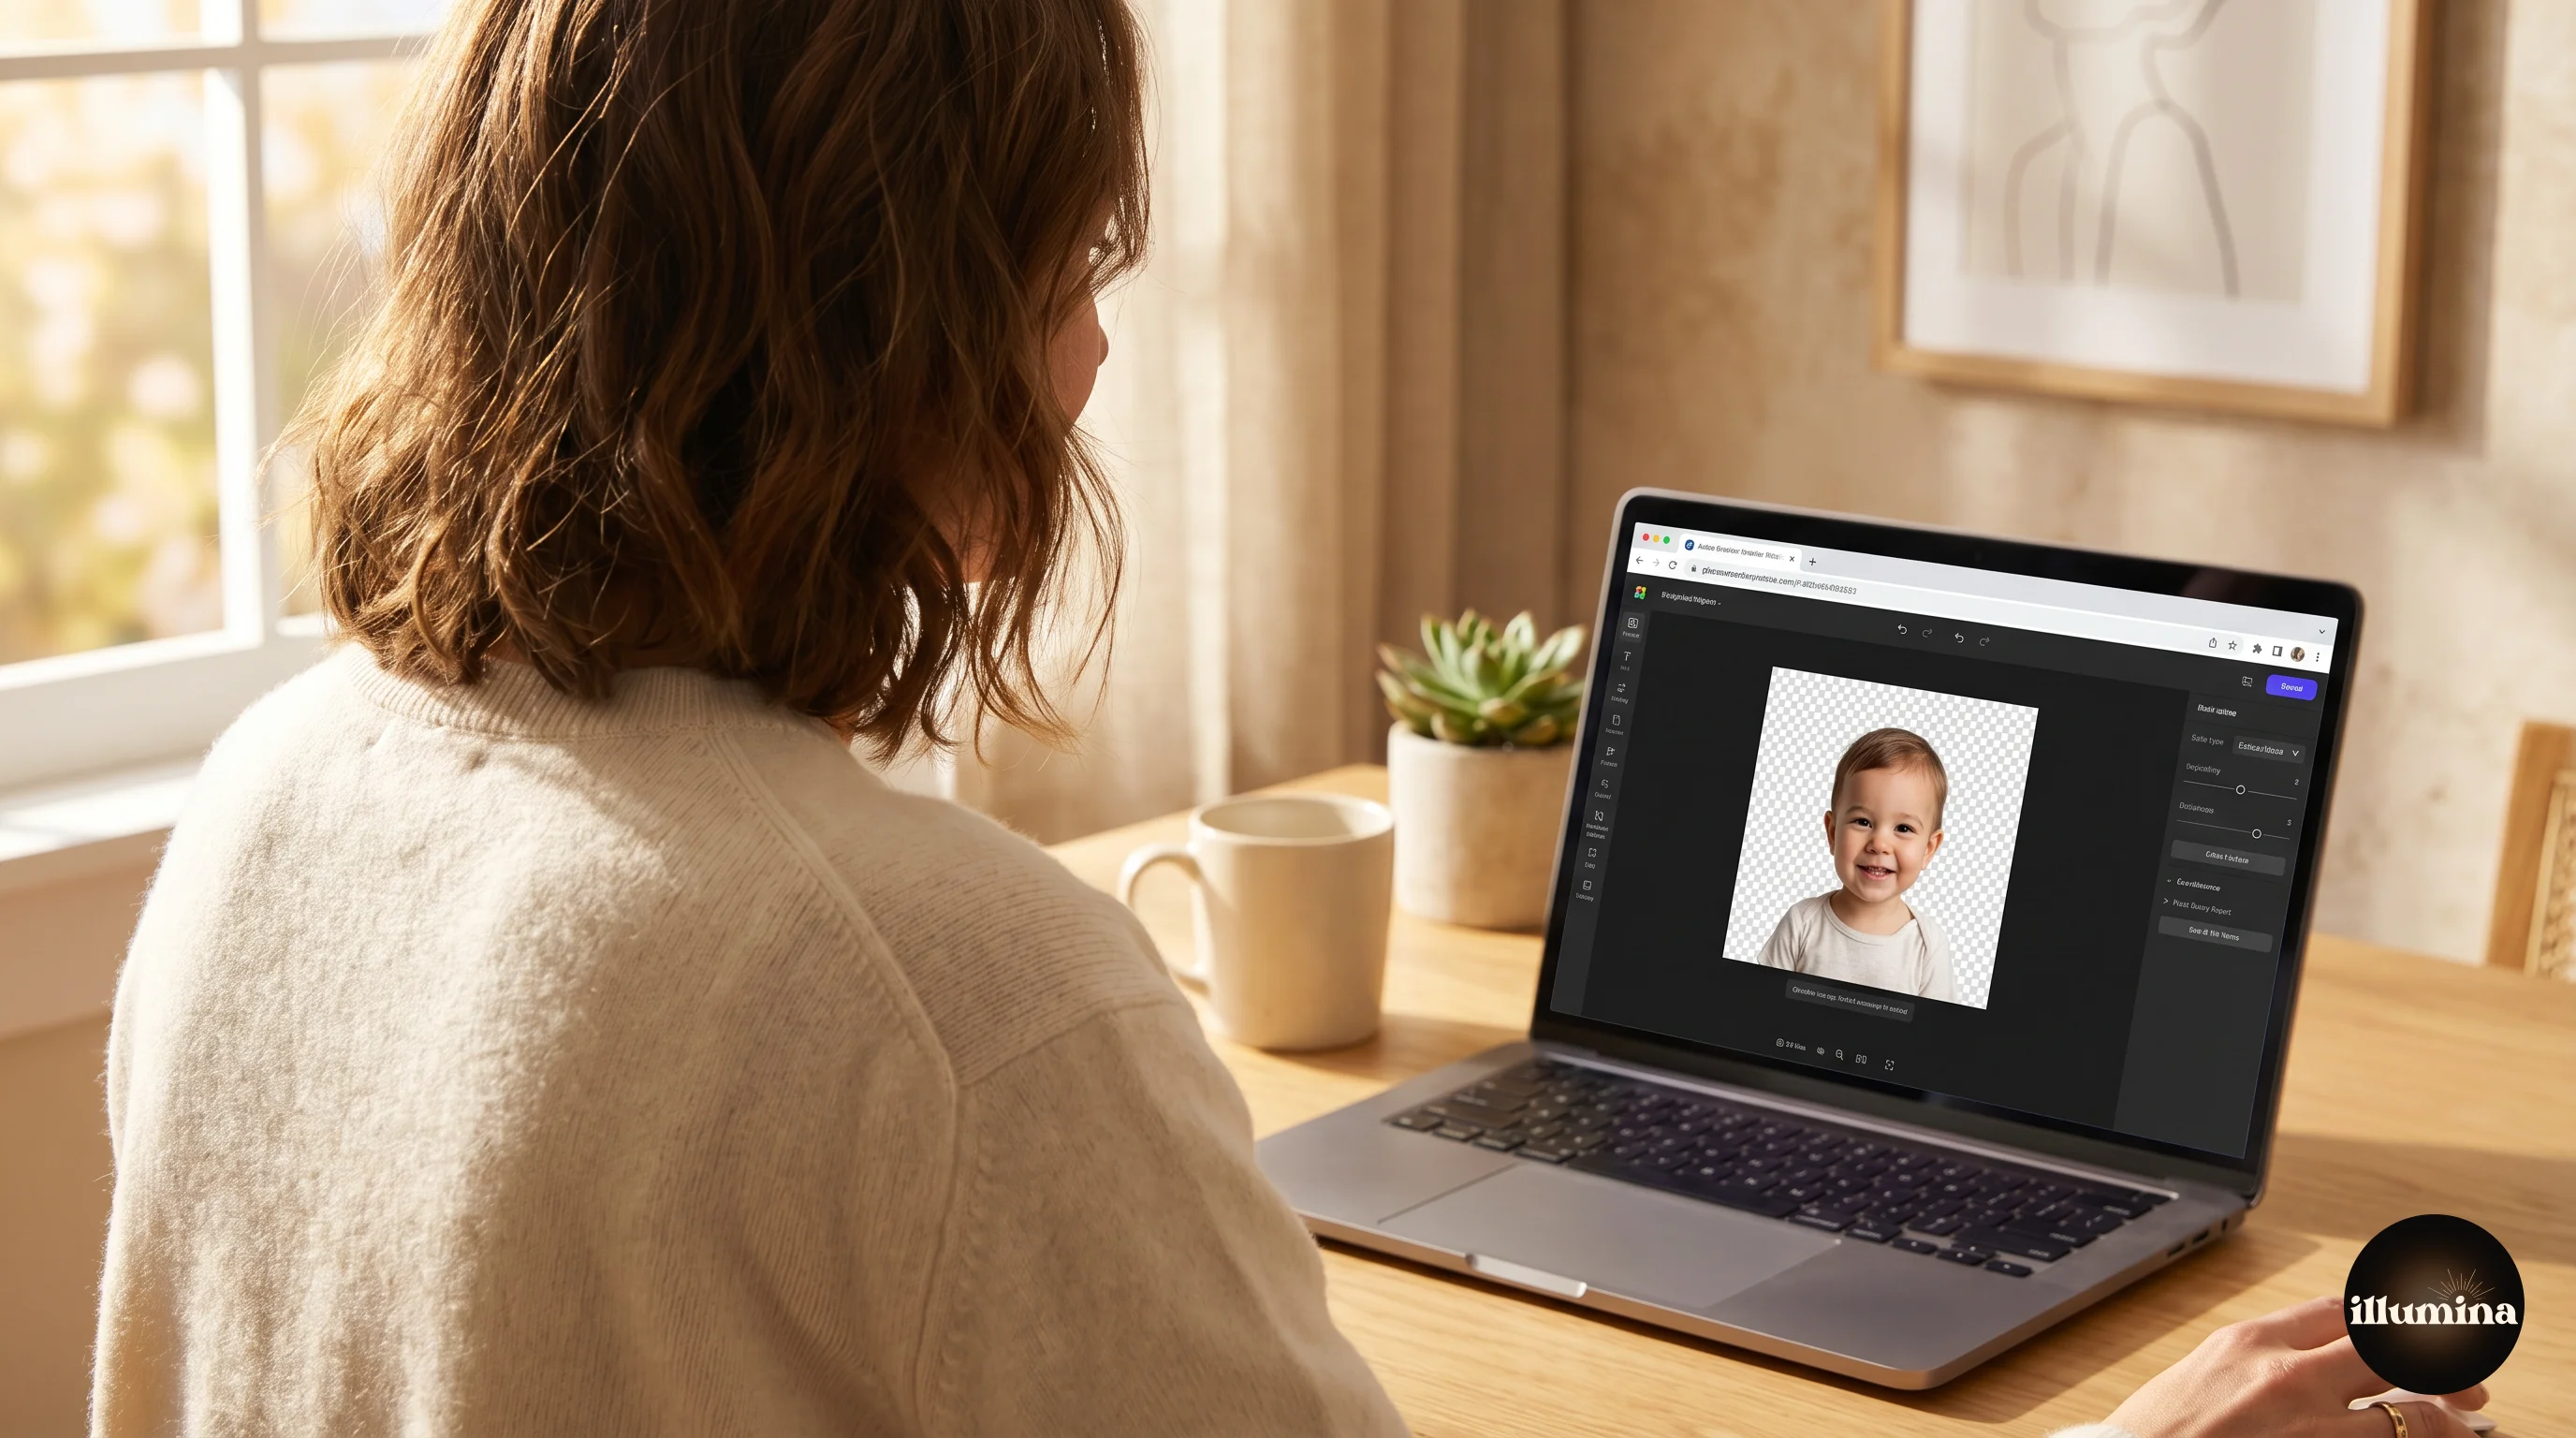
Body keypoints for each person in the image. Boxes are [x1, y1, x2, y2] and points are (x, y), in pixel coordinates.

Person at [83, 1, 2488, 1434]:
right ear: (874, 322)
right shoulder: (944, 989)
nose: (1096, 352)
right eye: (1061, 269)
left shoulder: (276, 793)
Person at [1760, 726, 1961, 1003]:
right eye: (1862, 822)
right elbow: (1761, 1005)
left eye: (1903, 828)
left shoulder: (1927, 946)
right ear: (1832, 833)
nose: (1879, 844)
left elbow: (1934, 1036)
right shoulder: (1802, 924)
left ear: (1928, 849)